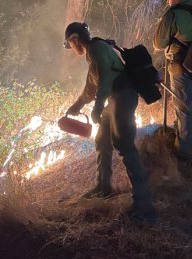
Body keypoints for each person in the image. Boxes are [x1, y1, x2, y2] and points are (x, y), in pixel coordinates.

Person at [63, 22, 156, 222]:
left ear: (75, 40)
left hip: (123, 96)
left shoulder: (96, 49)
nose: (71, 49)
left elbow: (106, 79)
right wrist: (77, 106)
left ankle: (143, 204)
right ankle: (103, 187)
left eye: (70, 44)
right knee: (102, 139)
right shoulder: (93, 52)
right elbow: (91, 87)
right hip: (115, 98)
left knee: (124, 145)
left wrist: (96, 109)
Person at [152, 0, 192, 161]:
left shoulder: (173, 14)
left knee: (184, 108)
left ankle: (183, 153)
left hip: (180, 64)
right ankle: (180, 136)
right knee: (187, 104)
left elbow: (158, 43)